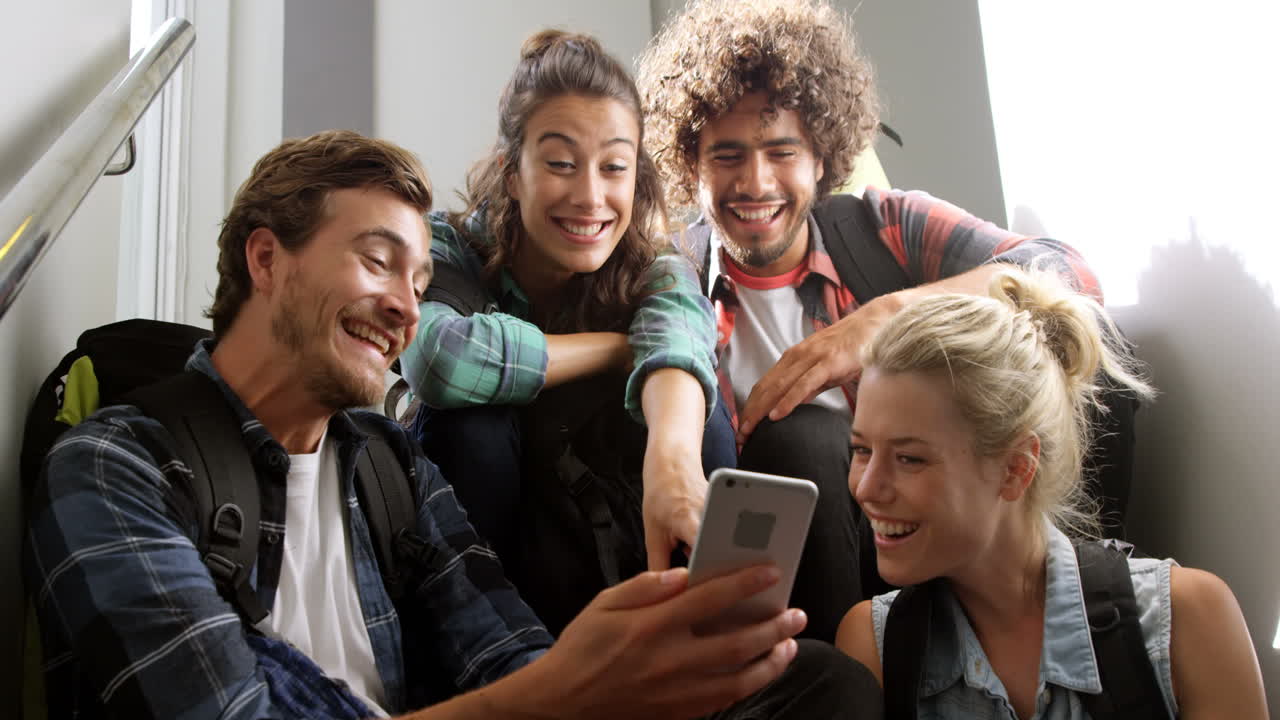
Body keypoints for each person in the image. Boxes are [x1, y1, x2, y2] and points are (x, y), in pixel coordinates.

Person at [23, 130, 884, 719]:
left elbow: (508, 658)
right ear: (265, 259)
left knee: (819, 686)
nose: (406, 307)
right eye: (376, 261)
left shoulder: (388, 467)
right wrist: (566, 689)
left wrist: (629, 663)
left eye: (423, 279)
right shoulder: (114, 463)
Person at [636, 0, 1103, 640]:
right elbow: (666, 354)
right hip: (790, 585)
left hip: (928, 539)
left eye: (781, 151)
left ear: (822, 158)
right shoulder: (678, 274)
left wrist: (887, 316)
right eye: (727, 155)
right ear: (690, 164)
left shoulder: (884, 229)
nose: (756, 181)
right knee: (799, 440)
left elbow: (1068, 273)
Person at [397, 30, 734, 626]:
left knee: (695, 412)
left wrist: (673, 459)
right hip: (491, 560)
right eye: (560, 164)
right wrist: (618, 350)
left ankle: (698, 633)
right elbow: (440, 360)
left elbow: (682, 339)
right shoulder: (446, 247)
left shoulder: (652, 267)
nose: (590, 196)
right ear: (511, 173)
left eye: (614, 168)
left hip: (609, 534)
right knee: (471, 421)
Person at [835, 268, 1268, 718]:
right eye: (862, 450)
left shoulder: (1187, 620)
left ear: (1016, 467)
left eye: (909, 459)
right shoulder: (872, 647)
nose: (866, 488)